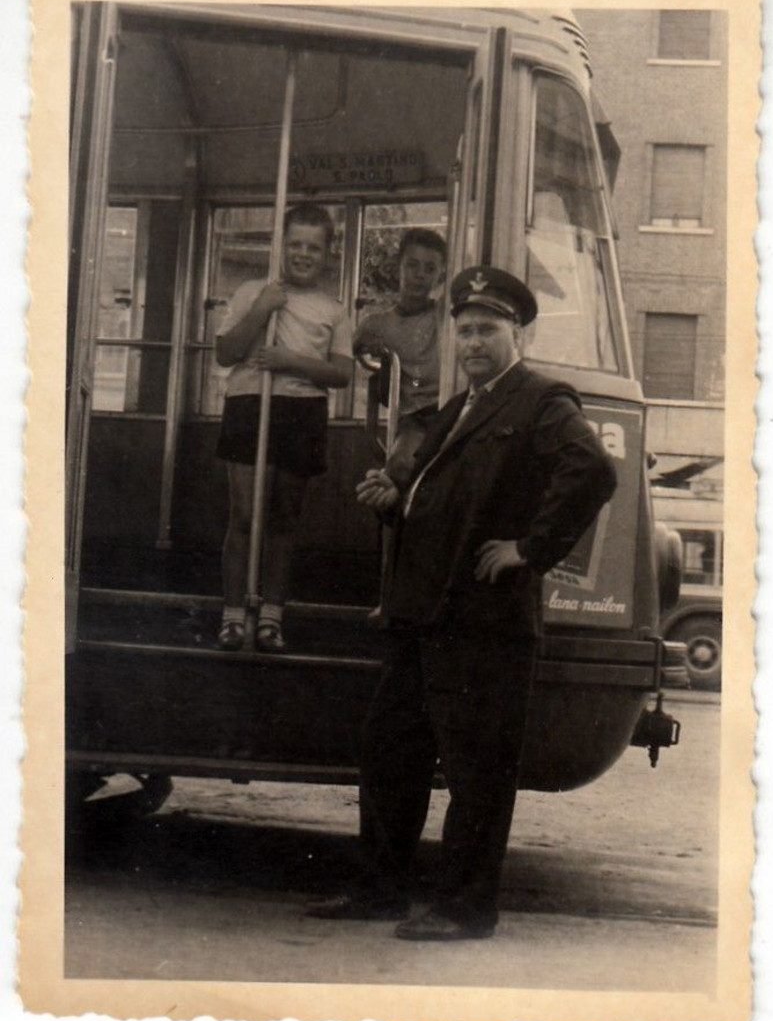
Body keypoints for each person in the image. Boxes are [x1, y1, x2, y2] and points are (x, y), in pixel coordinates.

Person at [307, 265, 617, 940]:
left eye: (488, 329)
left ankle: (464, 907)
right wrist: (394, 501)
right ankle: (381, 889)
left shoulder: (541, 400)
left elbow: (594, 469)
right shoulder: (464, 405)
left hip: (484, 621)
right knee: (390, 751)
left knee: (478, 769)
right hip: (428, 615)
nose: (474, 340)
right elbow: (435, 498)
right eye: (466, 329)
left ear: (518, 333)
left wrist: (530, 550)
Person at [214, 202, 353, 651]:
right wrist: (262, 309)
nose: (303, 254)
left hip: (301, 412)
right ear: (282, 247)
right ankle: (233, 615)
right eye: (295, 244)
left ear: (328, 252)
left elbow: (341, 374)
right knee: (244, 515)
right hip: (250, 404)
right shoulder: (252, 291)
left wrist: (290, 360)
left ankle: (271, 616)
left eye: (313, 247)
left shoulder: (334, 310)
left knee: (284, 518)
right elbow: (226, 352)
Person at [353, 228, 446, 487]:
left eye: (430, 269)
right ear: (399, 267)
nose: (420, 275)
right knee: (399, 465)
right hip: (414, 416)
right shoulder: (376, 324)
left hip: (449, 408)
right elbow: (352, 350)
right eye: (412, 265)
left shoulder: (443, 315)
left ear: (441, 274)